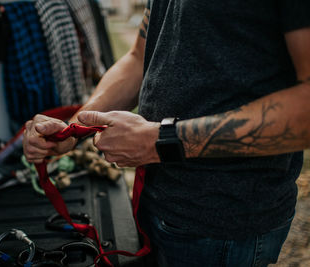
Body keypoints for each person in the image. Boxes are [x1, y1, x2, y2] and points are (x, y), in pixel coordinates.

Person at [23, 0, 310, 266]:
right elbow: (139, 59)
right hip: (159, 201)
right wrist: (74, 130)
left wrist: (160, 141)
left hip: (224, 226)